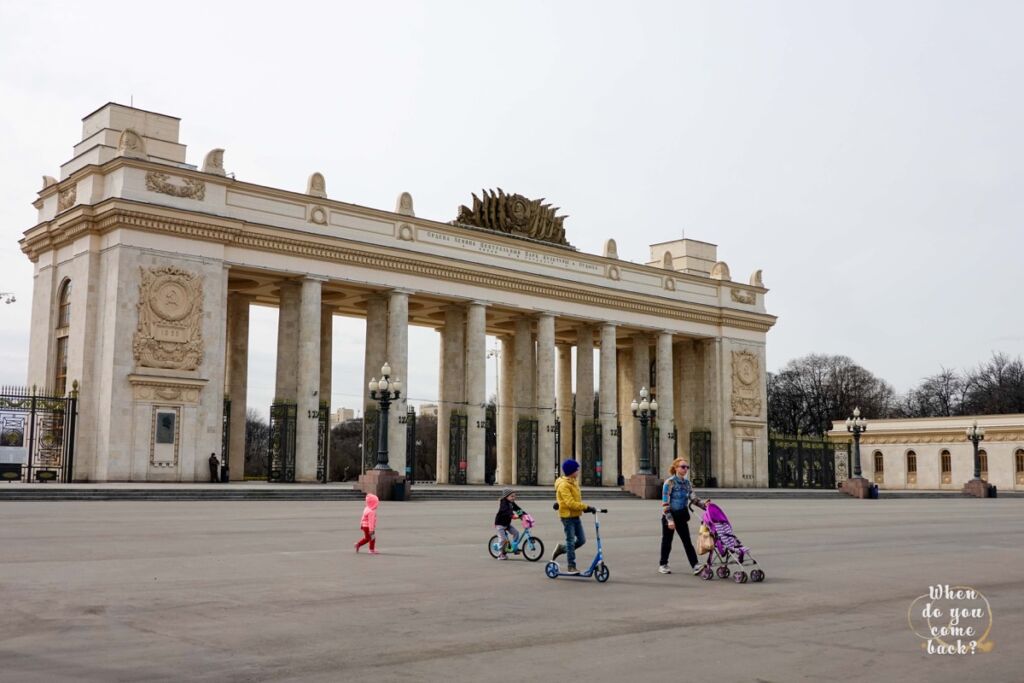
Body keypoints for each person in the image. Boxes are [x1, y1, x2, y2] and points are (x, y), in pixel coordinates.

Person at [659, 457, 706, 575]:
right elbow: (665, 503)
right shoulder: (669, 482)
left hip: (681, 516)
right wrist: (670, 520)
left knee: (687, 541)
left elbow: (694, 498)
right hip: (669, 515)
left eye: (687, 467)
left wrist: (706, 506)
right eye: (683, 467)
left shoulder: (687, 483)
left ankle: (695, 565)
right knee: (667, 541)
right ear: (676, 468)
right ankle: (663, 564)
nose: (685, 469)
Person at [551, 459, 596, 574]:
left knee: (581, 540)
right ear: (572, 471)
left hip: (575, 515)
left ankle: (561, 548)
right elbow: (570, 502)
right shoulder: (564, 485)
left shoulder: (573, 481)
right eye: (577, 469)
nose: (578, 471)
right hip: (567, 517)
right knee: (570, 541)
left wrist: (583, 509)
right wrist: (586, 507)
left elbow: (574, 500)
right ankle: (571, 566)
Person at [494, 487, 524, 560]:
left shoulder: (511, 503)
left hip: (507, 524)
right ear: (506, 496)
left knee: (516, 533)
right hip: (500, 524)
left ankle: (513, 547)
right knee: (503, 539)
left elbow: (517, 509)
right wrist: (513, 516)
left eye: (514, 496)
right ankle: (500, 554)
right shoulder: (503, 503)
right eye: (512, 496)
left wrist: (524, 514)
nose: (514, 497)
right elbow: (506, 512)